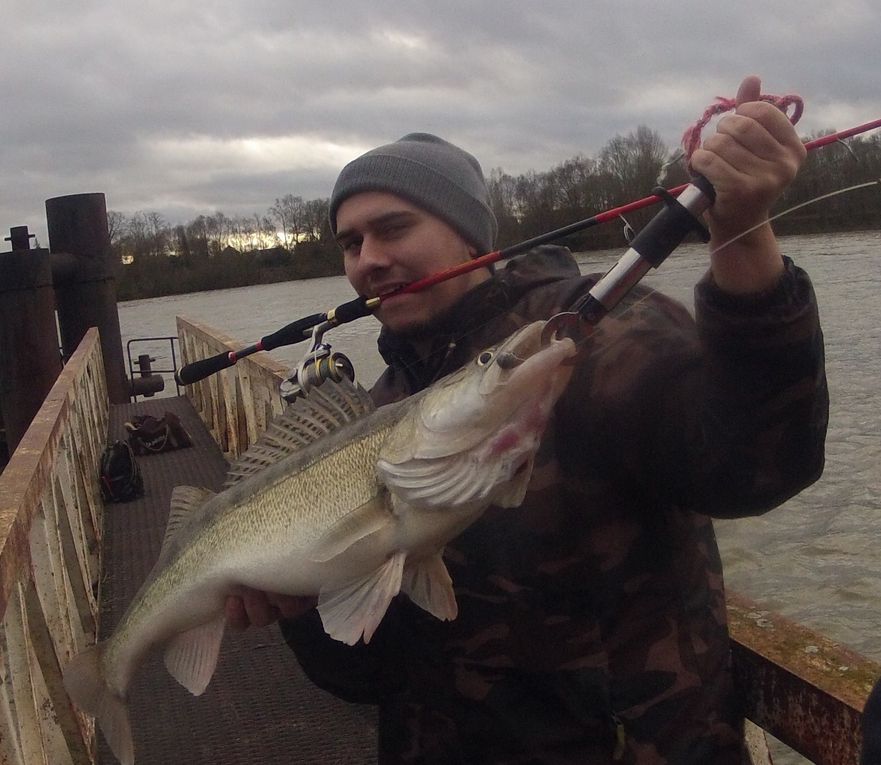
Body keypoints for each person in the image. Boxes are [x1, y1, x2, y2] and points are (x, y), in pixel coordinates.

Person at [225, 75, 828, 763]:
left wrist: (743, 241)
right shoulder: (383, 407)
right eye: (350, 242)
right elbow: (369, 676)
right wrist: (301, 609)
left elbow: (755, 467)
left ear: (467, 234)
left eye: (394, 228)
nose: (370, 260)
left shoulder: (592, 337)